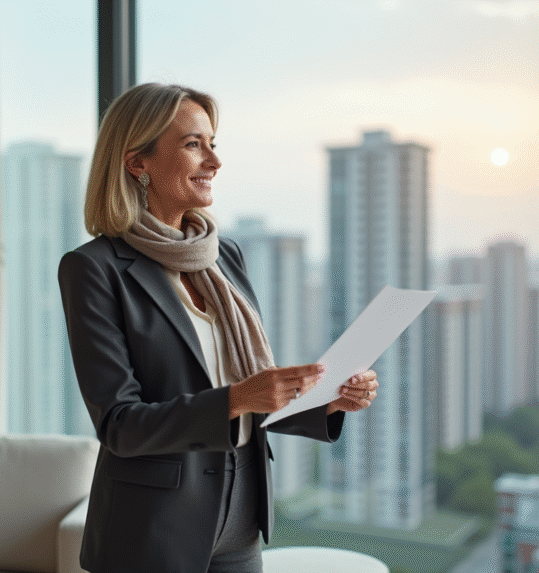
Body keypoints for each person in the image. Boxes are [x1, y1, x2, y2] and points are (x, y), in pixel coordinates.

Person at [58, 83, 379, 573]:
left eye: (213, 144)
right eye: (193, 144)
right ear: (136, 162)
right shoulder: (94, 269)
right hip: (151, 534)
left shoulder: (222, 255)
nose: (214, 161)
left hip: (241, 524)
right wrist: (237, 399)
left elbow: (254, 396)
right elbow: (120, 424)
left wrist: (329, 403)